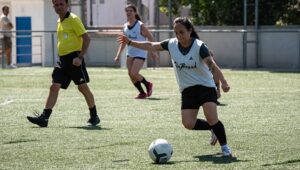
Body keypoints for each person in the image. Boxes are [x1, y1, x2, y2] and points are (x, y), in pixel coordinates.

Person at [117, 17, 232, 156]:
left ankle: (225, 148)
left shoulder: (199, 46)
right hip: (188, 90)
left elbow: (212, 66)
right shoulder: (171, 44)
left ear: (190, 31)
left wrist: (222, 83)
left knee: (212, 117)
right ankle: (213, 128)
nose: (179, 36)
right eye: (176, 32)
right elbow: (151, 45)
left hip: (205, 87)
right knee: (188, 123)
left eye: (182, 32)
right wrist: (130, 42)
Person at [26, 0, 100, 127]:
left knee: (82, 88)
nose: (58, 7)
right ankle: (44, 118)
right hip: (62, 60)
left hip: (74, 59)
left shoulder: (73, 19)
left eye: (61, 4)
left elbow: (86, 38)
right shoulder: (59, 21)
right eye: (56, 4)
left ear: (67, 5)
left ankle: (94, 117)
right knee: (54, 86)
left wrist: (80, 57)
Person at [114, 4, 158, 99]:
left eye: (130, 11)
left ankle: (148, 84)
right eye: (127, 11)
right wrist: (118, 55)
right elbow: (123, 42)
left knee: (134, 73)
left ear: (135, 12)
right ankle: (142, 93)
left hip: (141, 51)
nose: (128, 13)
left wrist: (153, 51)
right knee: (130, 74)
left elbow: (150, 37)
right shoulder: (125, 26)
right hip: (130, 52)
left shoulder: (140, 25)